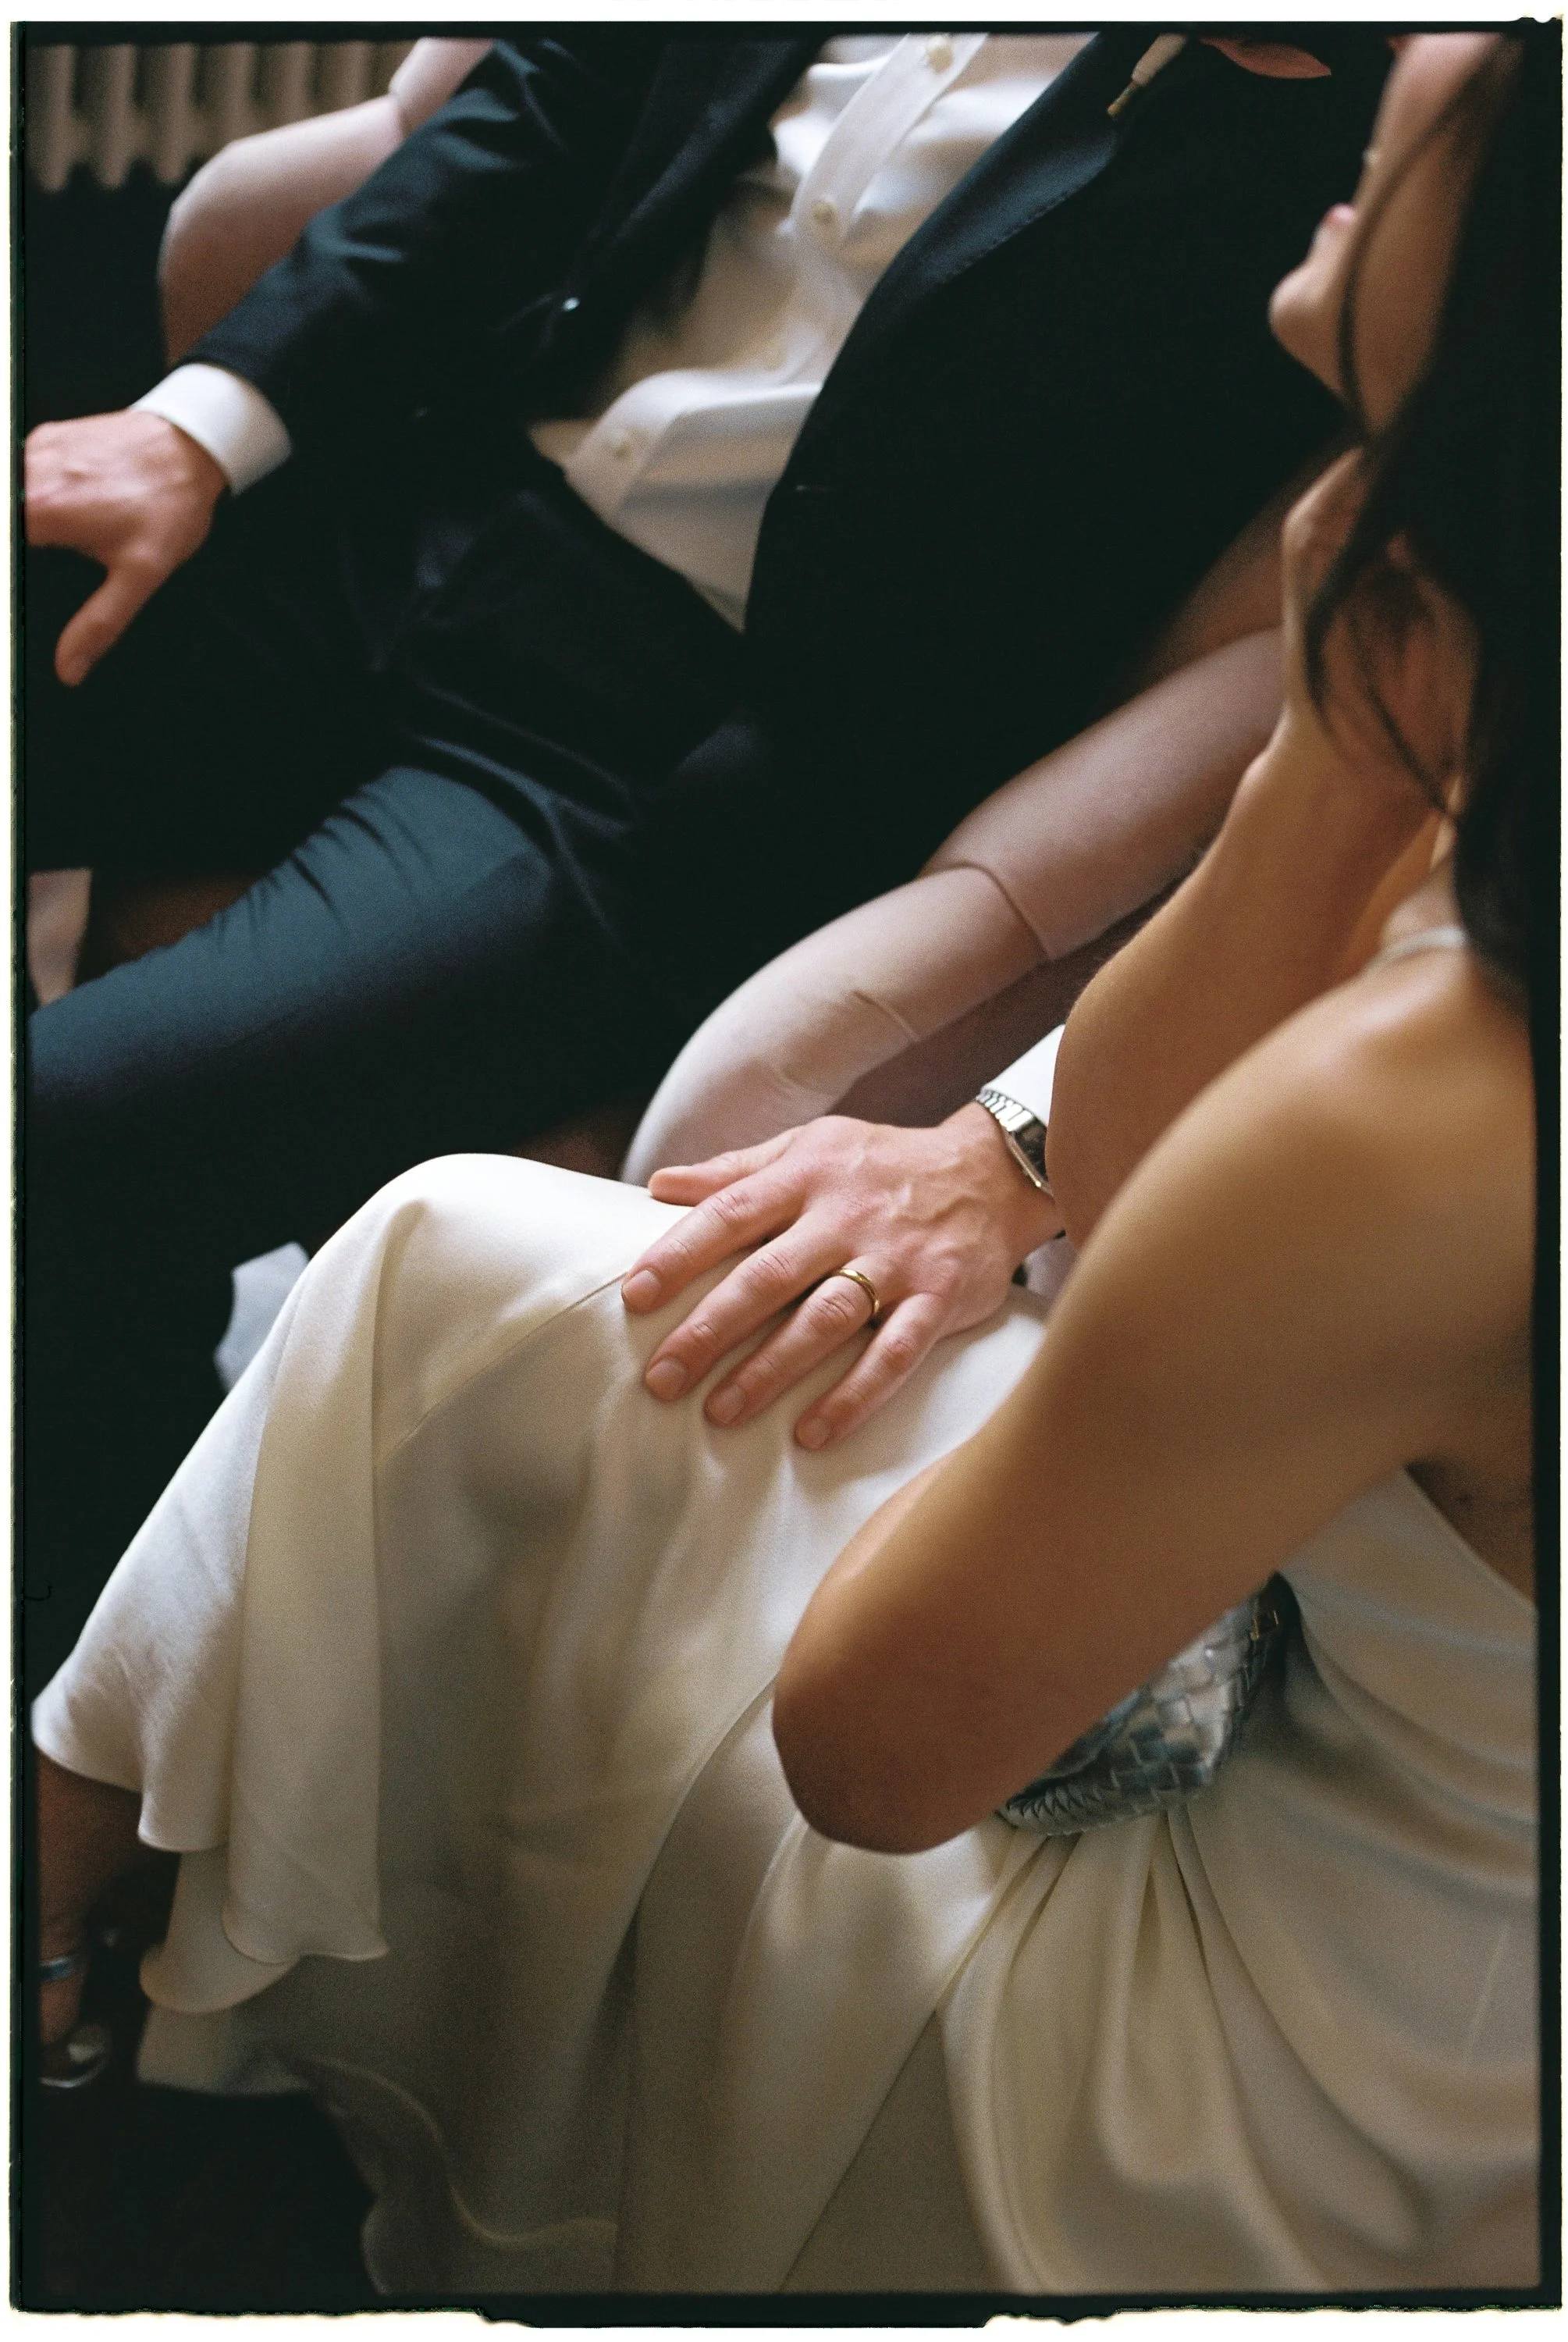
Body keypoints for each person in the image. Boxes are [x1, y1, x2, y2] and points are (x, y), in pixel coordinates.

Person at [33, 27, 1551, 2294]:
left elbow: (872, 1753)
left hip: (1280, 2059)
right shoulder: (1432, 699)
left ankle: (112, 2027)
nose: (1389, 84)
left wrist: (1029, 1253)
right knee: (447, 1274)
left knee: (494, 1332)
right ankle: (89, 1932)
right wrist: (1321, 726)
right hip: (1296, 1598)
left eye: (1437, 102)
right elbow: (1126, 1108)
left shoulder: (1417, 1101)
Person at [20, 31, 1391, 1692]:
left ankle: (79, 1661)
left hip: (647, 739)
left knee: (62, 1132)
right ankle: (112, 1418)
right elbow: (552, 101)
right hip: (417, 501)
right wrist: (196, 428)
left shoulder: (1373, 123)